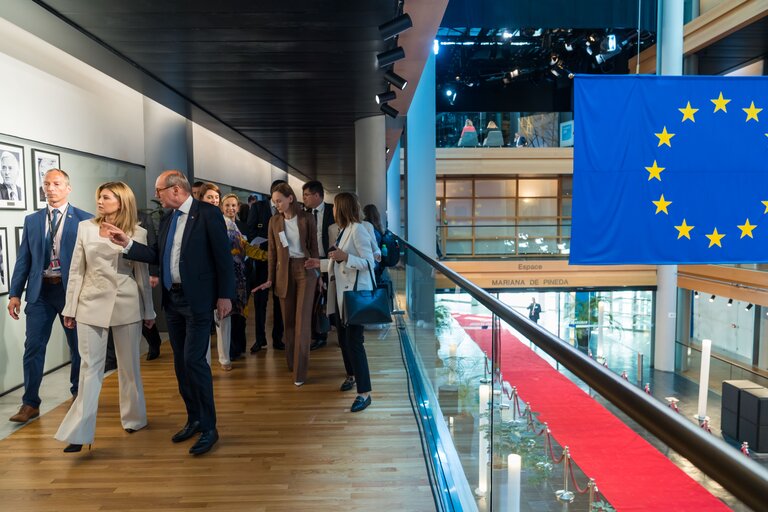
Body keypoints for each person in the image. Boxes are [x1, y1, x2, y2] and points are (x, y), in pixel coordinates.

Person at [105, 170, 235, 456]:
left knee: (194, 361)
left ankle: (210, 427)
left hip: (199, 300)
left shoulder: (207, 214)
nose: (156, 195)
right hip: (173, 300)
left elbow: (223, 257)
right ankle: (195, 418)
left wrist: (225, 295)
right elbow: (155, 254)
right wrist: (125, 243)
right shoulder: (166, 219)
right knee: (180, 363)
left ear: (176, 189)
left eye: (159, 190)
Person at [55, 182, 155, 453]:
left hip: (127, 304)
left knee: (129, 367)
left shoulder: (138, 232)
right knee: (90, 369)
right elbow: (76, 270)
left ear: (121, 202)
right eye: (99, 196)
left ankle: (134, 418)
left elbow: (142, 276)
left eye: (106, 197)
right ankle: (79, 432)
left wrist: (149, 311)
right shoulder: (85, 227)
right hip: (89, 304)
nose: (99, 201)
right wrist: (70, 308)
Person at [7, 168, 92, 423]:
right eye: (47, 184)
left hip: (71, 292)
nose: (50, 188)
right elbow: (24, 259)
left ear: (68, 188)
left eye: (56, 184)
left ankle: (79, 395)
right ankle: (30, 403)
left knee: (77, 348)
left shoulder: (85, 220)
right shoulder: (33, 221)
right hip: (40, 292)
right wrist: (14, 294)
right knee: (33, 347)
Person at [306, 193, 374, 412]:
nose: (332, 210)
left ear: (342, 208)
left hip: (354, 296)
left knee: (355, 343)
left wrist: (346, 257)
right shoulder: (344, 230)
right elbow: (338, 261)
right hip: (343, 296)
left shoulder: (358, 229)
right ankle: (352, 376)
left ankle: (364, 393)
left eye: (335, 207)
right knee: (345, 341)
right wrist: (321, 262)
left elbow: (369, 262)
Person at [253, 183, 318, 386]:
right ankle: (292, 362)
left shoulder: (307, 218)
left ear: (291, 198)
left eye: (279, 200)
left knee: (302, 321)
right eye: (274, 202)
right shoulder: (274, 221)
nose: (277, 204)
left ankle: (299, 372)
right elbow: (272, 252)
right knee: (288, 322)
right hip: (283, 272)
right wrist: (270, 278)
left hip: (305, 270)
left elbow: (314, 248)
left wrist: (319, 274)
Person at [220, 194, 267, 365]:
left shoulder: (242, 226)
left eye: (233, 205)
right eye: (227, 205)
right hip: (227, 276)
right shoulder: (219, 225)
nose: (230, 208)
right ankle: (229, 351)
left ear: (238, 207)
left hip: (242, 275)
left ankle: (239, 348)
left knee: (241, 313)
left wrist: (263, 254)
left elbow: (246, 248)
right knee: (229, 314)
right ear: (221, 207)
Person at [246, 179, 286, 353]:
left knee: (279, 301)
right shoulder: (258, 207)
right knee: (260, 302)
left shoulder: (286, 209)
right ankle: (259, 339)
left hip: (281, 263)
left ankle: (278, 338)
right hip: (262, 261)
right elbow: (250, 231)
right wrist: (269, 243)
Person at [301, 180, 335, 351]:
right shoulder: (304, 214)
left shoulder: (332, 211)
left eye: (307, 195)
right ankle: (320, 334)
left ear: (317, 195)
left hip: (331, 259)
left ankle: (336, 327)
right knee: (316, 298)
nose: (304, 198)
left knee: (332, 296)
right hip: (312, 260)